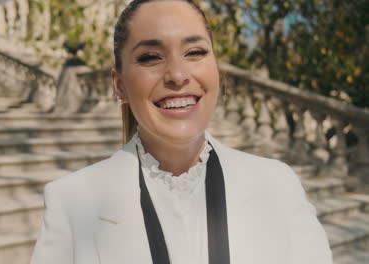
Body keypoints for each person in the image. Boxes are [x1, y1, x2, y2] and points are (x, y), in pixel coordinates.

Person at [30, 0, 332, 263]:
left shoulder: (278, 185)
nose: (177, 75)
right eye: (150, 56)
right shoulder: (71, 202)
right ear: (119, 85)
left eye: (195, 51)